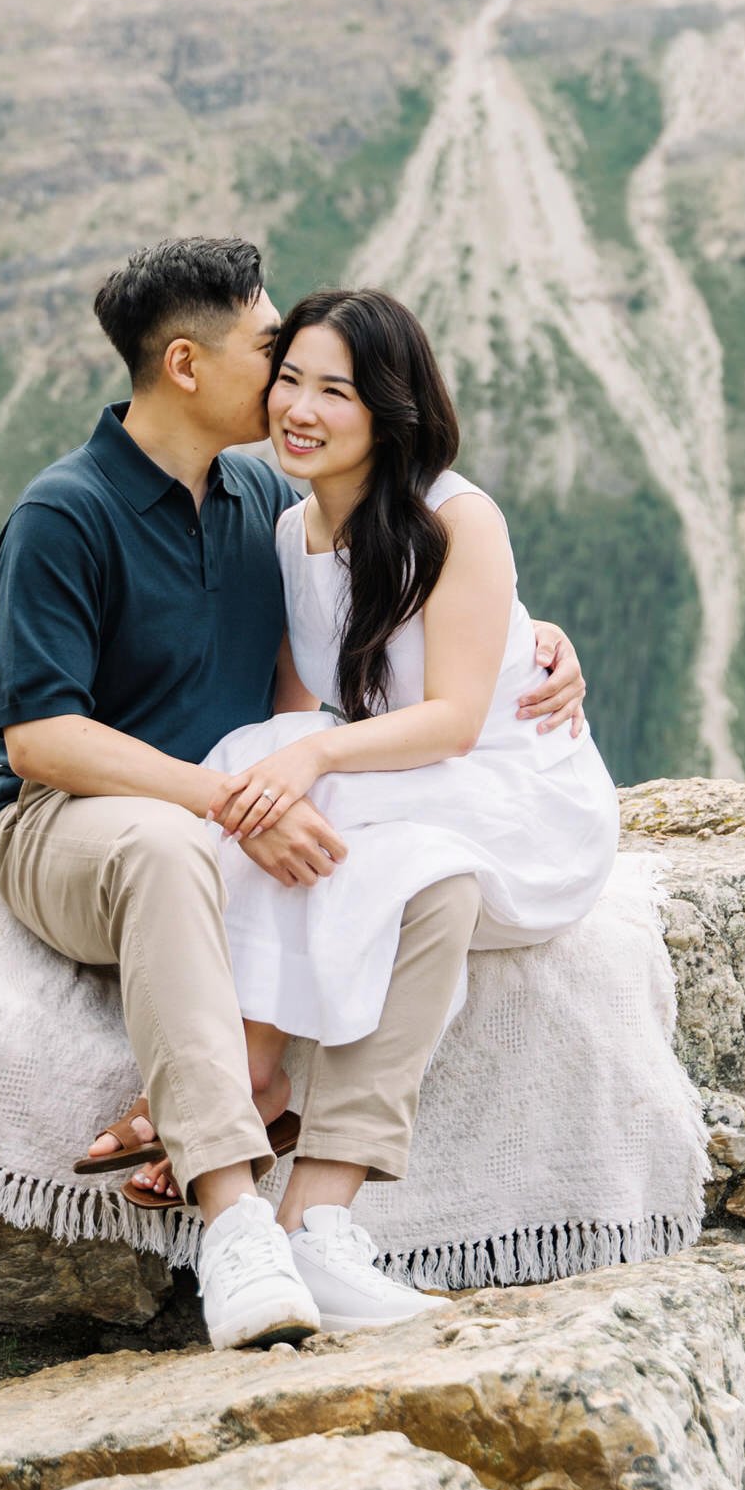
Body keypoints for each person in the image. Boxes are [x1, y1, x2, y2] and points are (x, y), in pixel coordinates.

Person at [0, 237, 587, 1351]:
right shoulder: (63, 514)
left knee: (435, 882)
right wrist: (225, 803)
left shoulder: (265, 494)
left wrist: (532, 643)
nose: (289, 389)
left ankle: (321, 1223)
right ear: (184, 365)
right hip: (76, 824)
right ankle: (231, 1219)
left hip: (240, 802)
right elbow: (39, 738)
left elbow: (391, 605)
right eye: (272, 355)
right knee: (166, 855)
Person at [121, 289, 618, 1227]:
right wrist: (281, 778)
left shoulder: (456, 517)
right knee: (266, 768)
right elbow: (300, 701)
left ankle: (255, 1074)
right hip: (410, 774)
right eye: (290, 381)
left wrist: (312, 761)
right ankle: (257, 1081)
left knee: (299, 767)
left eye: (336, 392)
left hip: (513, 790)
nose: (300, 410)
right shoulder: (285, 528)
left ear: (390, 410)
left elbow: (455, 720)